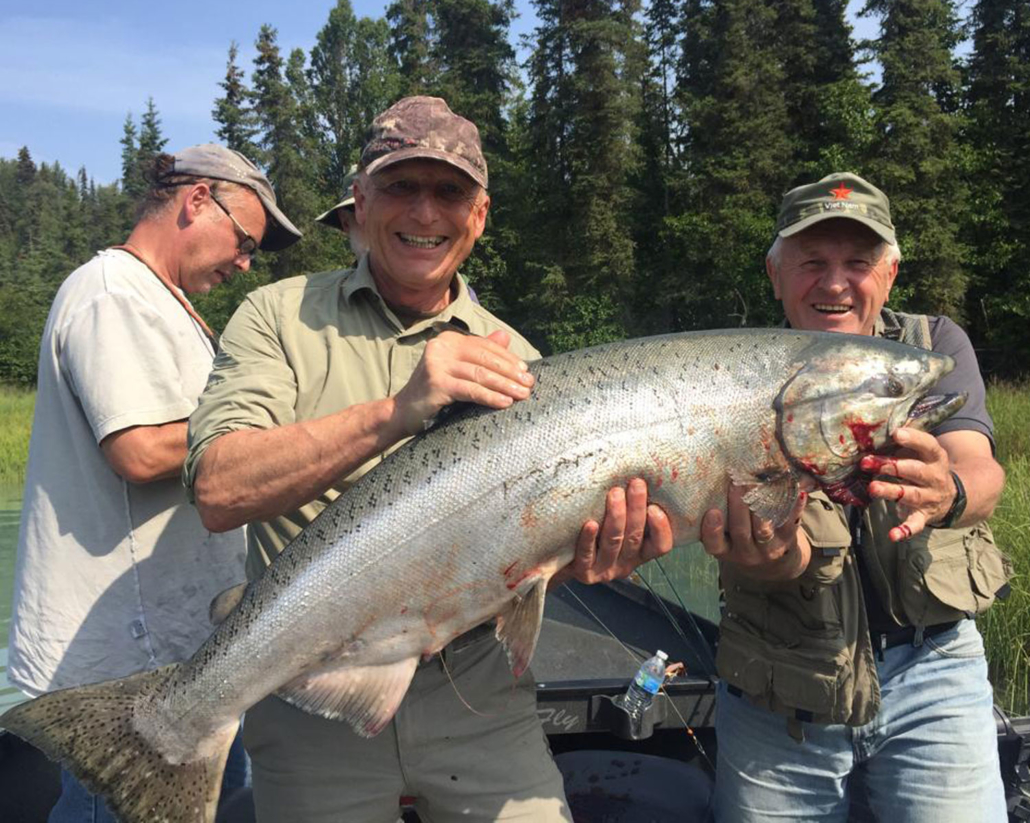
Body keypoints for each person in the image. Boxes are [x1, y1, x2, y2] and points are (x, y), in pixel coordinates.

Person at [184, 96, 673, 823]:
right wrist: (398, 411)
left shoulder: (520, 362)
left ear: (480, 215)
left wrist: (597, 556)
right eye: (401, 185)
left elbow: (533, 559)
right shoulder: (278, 316)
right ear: (360, 199)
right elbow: (219, 490)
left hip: (478, 695)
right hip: (307, 686)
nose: (425, 211)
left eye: (449, 191)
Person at [701, 172, 1010, 822]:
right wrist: (768, 556)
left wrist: (949, 490)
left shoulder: (932, 348)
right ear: (775, 274)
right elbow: (762, 547)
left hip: (934, 669)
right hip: (777, 688)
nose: (836, 283)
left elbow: (982, 473)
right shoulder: (733, 380)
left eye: (858, 263)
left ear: (889, 274)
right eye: (812, 262)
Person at [6, 144, 302, 822]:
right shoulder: (112, 292)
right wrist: (286, 430)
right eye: (245, 241)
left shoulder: (162, 302)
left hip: (186, 660)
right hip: (123, 671)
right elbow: (138, 449)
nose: (245, 263)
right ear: (197, 201)